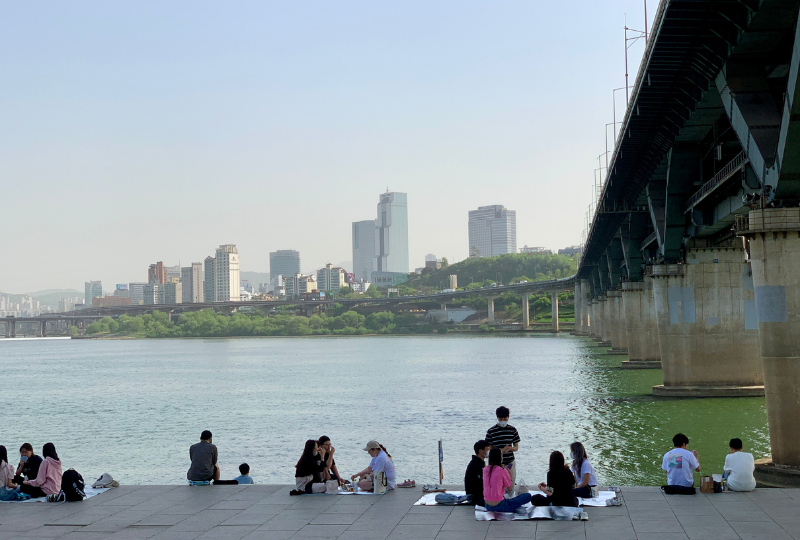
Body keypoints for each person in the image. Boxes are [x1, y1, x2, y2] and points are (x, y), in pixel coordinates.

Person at [483, 447, 532, 512]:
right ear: (500, 458)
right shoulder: (502, 471)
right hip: (500, 506)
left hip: (487, 505)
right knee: (527, 496)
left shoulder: (485, 469)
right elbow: (510, 488)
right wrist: (510, 475)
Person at [485, 406, 520, 487]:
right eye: (501, 419)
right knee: (497, 486)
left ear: (508, 417)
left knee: (510, 485)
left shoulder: (512, 430)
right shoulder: (491, 431)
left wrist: (510, 448)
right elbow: (488, 449)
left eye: (505, 418)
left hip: (509, 461)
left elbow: (516, 447)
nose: (503, 420)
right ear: (497, 418)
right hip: (495, 464)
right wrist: (500, 450)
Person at [465, 440, 491, 507]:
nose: (489, 451)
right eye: (487, 449)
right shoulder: (476, 465)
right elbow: (479, 484)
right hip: (475, 498)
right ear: (481, 451)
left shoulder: (479, 463)